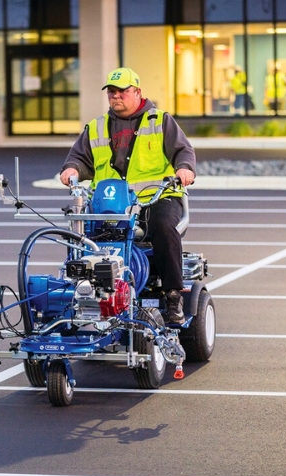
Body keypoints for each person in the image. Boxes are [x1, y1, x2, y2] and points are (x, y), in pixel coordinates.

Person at [59, 67, 196, 325]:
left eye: (122, 91)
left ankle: (173, 296)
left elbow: (183, 151)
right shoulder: (96, 127)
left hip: (155, 199)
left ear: (138, 92)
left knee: (165, 228)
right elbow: (78, 158)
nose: (116, 96)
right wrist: (71, 169)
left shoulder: (160, 121)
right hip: (112, 203)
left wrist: (185, 169)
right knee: (82, 234)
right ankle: (84, 293)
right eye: (112, 91)